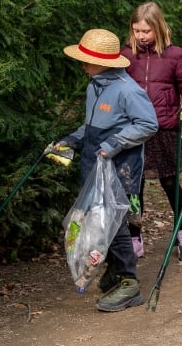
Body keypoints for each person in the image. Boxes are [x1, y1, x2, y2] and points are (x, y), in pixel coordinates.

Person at [56, 28, 158, 312]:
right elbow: (92, 127)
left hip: (120, 169)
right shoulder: (95, 85)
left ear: (105, 61)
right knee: (99, 222)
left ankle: (129, 283)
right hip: (94, 165)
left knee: (113, 224)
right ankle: (114, 271)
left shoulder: (127, 90)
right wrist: (71, 141)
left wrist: (113, 144)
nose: (82, 64)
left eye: (87, 59)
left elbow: (148, 124)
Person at [121, 2, 182, 259]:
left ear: (158, 28)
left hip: (164, 128)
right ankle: (135, 236)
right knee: (134, 187)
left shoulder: (174, 54)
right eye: (137, 31)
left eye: (146, 31)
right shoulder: (125, 55)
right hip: (134, 130)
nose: (141, 36)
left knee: (170, 182)